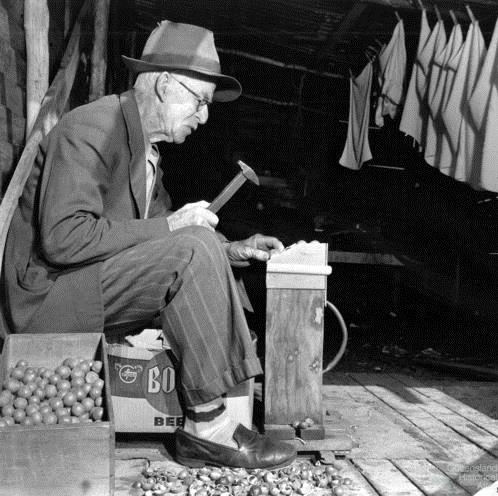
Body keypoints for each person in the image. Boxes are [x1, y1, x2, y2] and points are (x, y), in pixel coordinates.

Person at [2, 20, 296, 469]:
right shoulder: (92, 128)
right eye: (199, 101)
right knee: (194, 245)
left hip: (86, 284)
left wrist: (232, 249)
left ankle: (218, 410)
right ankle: (209, 425)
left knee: (201, 245)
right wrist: (180, 230)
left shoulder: (147, 152)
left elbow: (162, 242)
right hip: (48, 298)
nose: (204, 116)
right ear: (162, 85)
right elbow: (63, 239)